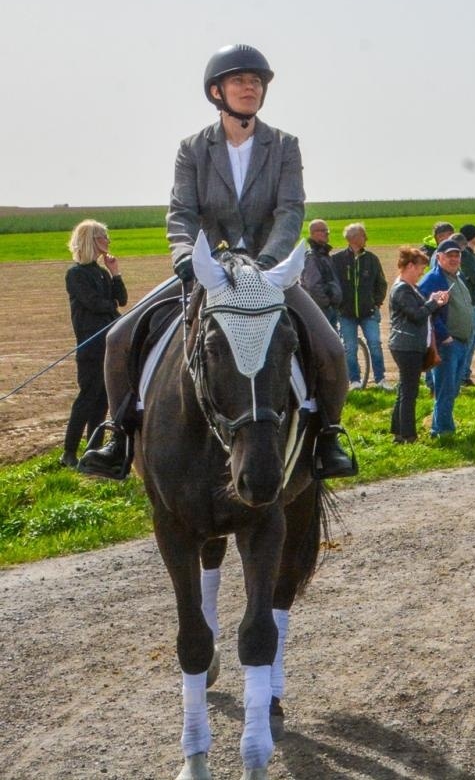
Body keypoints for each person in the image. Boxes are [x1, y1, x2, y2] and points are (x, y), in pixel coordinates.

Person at [79, 45, 356, 481]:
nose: (251, 88)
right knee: (118, 338)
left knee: (331, 348)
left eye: (257, 82)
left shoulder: (284, 146)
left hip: (267, 274)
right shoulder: (192, 148)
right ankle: (118, 437)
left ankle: (330, 438)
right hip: (210, 270)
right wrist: (186, 254)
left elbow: (290, 210)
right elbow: (182, 212)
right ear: (216, 91)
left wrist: (267, 262)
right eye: (240, 81)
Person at [63, 221, 126, 468]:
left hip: (107, 345)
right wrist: (111, 306)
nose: (108, 241)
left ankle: (93, 451)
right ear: (91, 240)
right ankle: (68, 453)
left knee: (102, 400)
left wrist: (115, 273)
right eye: (103, 237)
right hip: (90, 347)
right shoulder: (75, 274)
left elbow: (120, 299)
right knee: (87, 398)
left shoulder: (101, 272)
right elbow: (97, 304)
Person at [387, 247, 449, 443]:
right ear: (410, 266)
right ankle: (408, 435)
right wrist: (434, 303)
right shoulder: (402, 289)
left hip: (407, 344)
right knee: (409, 392)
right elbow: (416, 315)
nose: (422, 273)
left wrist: (432, 301)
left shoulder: (408, 287)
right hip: (406, 345)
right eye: (420, 268)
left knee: (404, 389)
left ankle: (399, 432)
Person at [418, 238, 474, 436]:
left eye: (457, 255)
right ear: (438, 257)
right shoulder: (433, 279)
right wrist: (445, 336)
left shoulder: (457, 277)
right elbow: (427, 312)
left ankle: (440, 424)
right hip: (447, 344)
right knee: (445, 389)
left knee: (452, 389)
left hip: (461, 342)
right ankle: (442, 431)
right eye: (449, 255)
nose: (454, 259)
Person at [331, 222, 388, 389]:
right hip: (346, 314)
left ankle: (380, 380)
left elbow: (381, 283)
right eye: (363, 235)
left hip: (368, 312)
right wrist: (339, 304)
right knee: (350, 348)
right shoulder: (337, 260)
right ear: (353, 238)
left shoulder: (371, 259)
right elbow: (333, 284)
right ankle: (354, 381)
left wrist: (375, 302)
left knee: (375, 344)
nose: (366, 238)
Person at [455, 223, 475, 387]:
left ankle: (464, 373)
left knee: (473, 341)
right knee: (470, 340)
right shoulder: (465, 256)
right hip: (471, 302)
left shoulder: (472, 255)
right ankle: (462, 375)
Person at [299, 218, 342, 326]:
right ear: (313, 233)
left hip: (329, 308)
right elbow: (313, 285)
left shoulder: (324, 255)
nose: (327, 233)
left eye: (327, 230)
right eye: (323, 230)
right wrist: (326, 304)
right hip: (322, 310)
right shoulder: (312, 257)